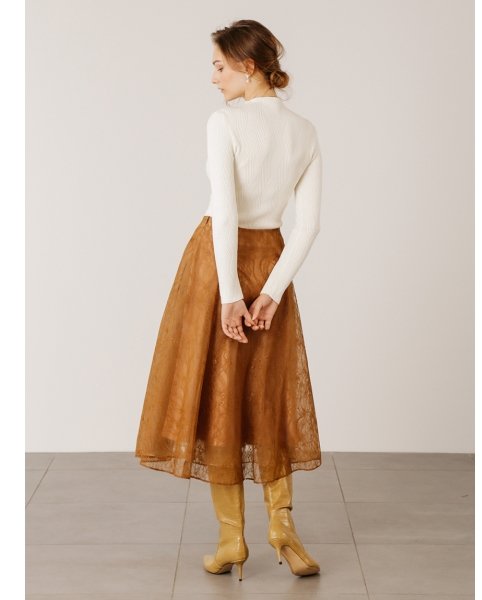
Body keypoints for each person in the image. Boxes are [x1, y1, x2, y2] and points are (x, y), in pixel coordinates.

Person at [135, 19, 323, 580]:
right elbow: (308, 225)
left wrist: (230, 296)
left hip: (219, 266)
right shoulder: (305, 131)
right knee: (268, 394)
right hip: (272, 261)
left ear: (248, 65)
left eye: (219, 66)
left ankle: (231, 539)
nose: (213, 78)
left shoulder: (225, 122)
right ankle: (283, 528)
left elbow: (224, 211)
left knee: (220, 398)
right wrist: (271, 292)